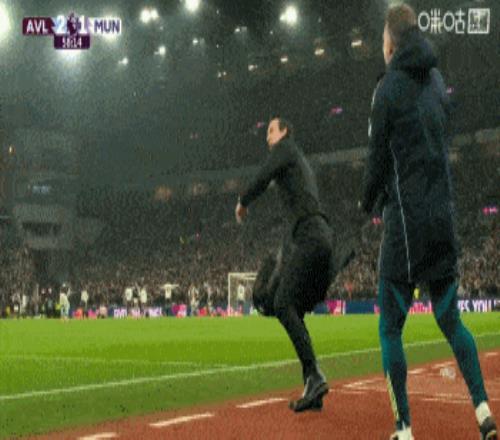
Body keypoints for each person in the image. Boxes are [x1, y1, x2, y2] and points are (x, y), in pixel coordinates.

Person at [361, 4, 497, 439]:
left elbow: (376, 161)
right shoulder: (437, 81)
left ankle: (403, 429)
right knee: (451, 320)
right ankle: (483, 412)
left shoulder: (386, 90)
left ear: (390, 43)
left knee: (390, 329)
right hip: (442, 219)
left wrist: (367, 202)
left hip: (406, 226)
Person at [236, 117, 336, 412]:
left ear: (285, 132)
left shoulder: (286, 149)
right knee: (290, 306)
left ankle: (314, 375)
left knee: (282, 304)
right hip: (317, 237)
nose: (267, 137)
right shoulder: (297, 160)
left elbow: (263, 175)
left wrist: (243, 201)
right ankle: (312, 385)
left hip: (310, 237)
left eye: (271, 131)